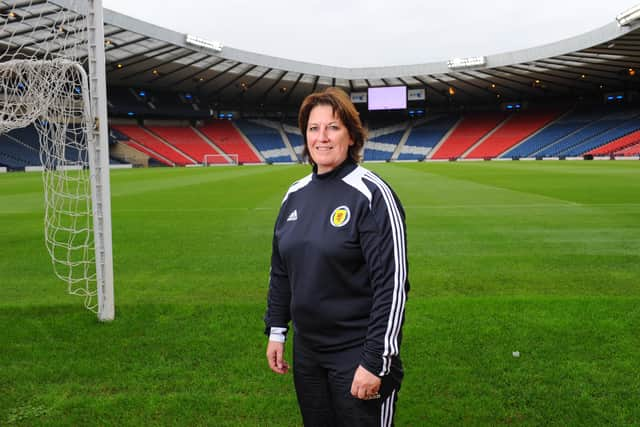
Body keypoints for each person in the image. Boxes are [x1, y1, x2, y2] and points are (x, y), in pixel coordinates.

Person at [264, 87, 409, 427]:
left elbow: (392, 286)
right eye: (314, 128)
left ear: (351, 135)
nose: (322, 137)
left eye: (333, 127)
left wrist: (375, 361)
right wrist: (276, 330)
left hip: (357, 352)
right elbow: (281, 269)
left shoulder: (372, 194)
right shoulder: (294, 194)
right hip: (308, 353)